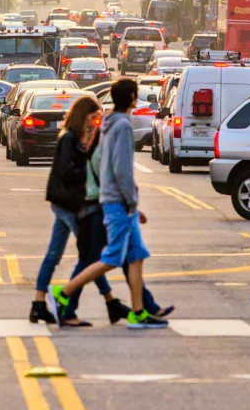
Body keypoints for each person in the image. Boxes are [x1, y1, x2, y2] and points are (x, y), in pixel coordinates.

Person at [47, 78, 166, 329]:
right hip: (118, 202)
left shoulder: (109, 124)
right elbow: (121, 168)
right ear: (133, 98)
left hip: (115, 200)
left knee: (136, 256)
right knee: (111, 258)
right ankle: (65, 291)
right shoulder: (122, 126)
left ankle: (138, 311)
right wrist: (131, 201)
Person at [30, 95, 128, 327]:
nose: (97, 122)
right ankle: (99, 302)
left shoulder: (83, 138)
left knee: (55, 254)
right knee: (89, 255)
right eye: (94, 117)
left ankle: (38, 304)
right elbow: (66, 171)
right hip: (68, 203)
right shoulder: (69, 139)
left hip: (68, 202)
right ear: (83, 115)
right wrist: (86, 172)